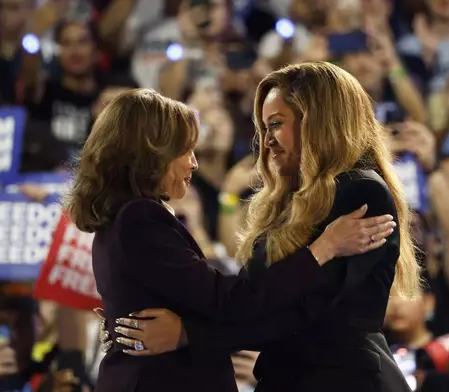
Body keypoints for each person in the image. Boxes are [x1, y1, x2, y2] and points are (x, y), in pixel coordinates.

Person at [102, 62, 420, 391]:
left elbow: (305, 309)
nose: (266, 141)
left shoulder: (362, 193)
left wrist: (188, 334)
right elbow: (253, 295)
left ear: (319, 123)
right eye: (264, 128)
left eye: (276, 125)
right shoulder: (285, 202)